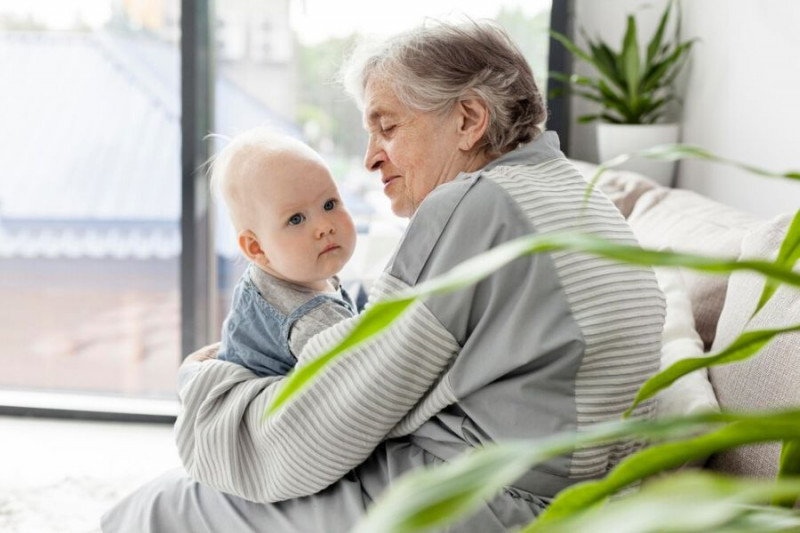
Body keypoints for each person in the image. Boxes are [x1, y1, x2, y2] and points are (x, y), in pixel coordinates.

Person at [102, 20, 665, 533]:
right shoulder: (580, 195)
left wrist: (204, 384)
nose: (371, 158)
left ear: (468, 119)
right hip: (566, 496)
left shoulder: (473, 205)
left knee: (155, 507)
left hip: (487, 503)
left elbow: (331, 417)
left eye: (388, 126)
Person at [209, 128, 357, 377]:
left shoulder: (279, 273)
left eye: (329, 204)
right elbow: (369, 379)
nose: (324, 227)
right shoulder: (311, 321)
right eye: (296, 219)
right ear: (257, 248)